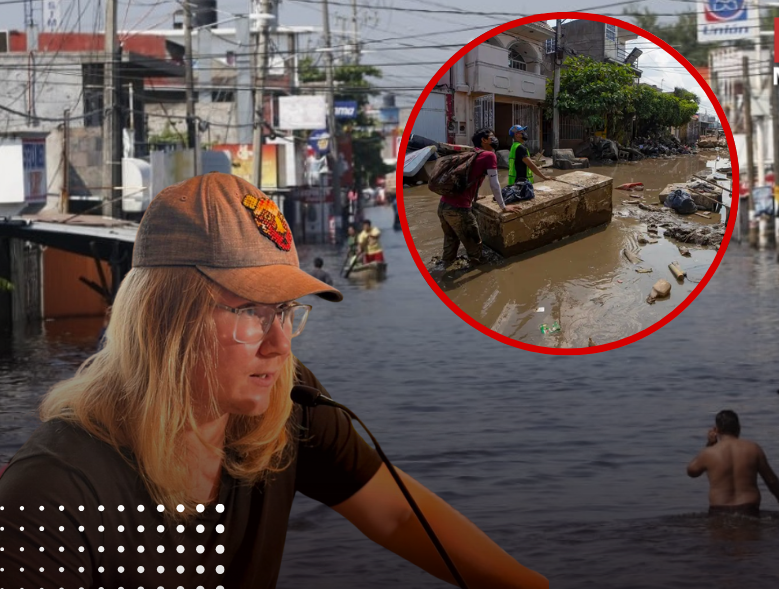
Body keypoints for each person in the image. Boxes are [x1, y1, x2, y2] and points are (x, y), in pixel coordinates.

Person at [0, 172, 547, 589]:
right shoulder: (53, 496)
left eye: (284, 310)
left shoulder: (284, 401)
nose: (280, 344)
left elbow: (397, 513)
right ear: (164, 318)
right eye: (248, 312)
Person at [687, 410, 779, 517]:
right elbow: (770, 479)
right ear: (739, 427)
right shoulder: (753, 448)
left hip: (719, 510)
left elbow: (692, 471)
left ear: (716, 430)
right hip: (749, 509)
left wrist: (710, 444)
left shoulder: (709, 452)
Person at [438, 128, 518, 267]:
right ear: (484, 140)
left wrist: (474, 197)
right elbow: (494, 184)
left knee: (450, 243)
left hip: (444, 206)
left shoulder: (471, 153)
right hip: (459, 210)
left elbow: (468, 179)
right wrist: (503, 207)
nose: (494, 139)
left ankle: (443, 271)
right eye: (491, 137)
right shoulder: (489, 155)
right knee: (476, 248)